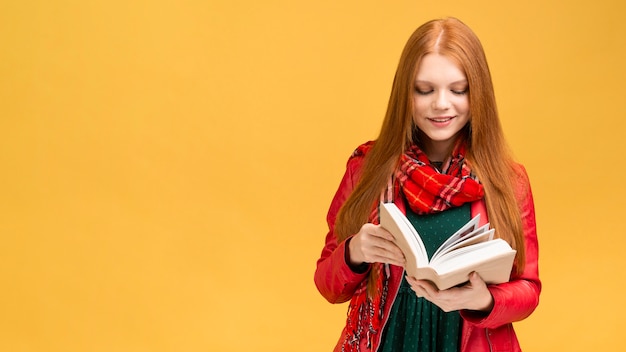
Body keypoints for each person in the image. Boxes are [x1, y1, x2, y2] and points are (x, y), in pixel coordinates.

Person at [314, 17, 540, 352]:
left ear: (478, 93)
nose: (441, 104)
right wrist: (354, 252)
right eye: (425, 90)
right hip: (385, 341)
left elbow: (529, 289)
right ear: (405, 93)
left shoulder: (509, 180)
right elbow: (327, 284)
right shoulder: (366, 168)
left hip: (467, 339)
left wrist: (485, 299)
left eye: (458, 89)